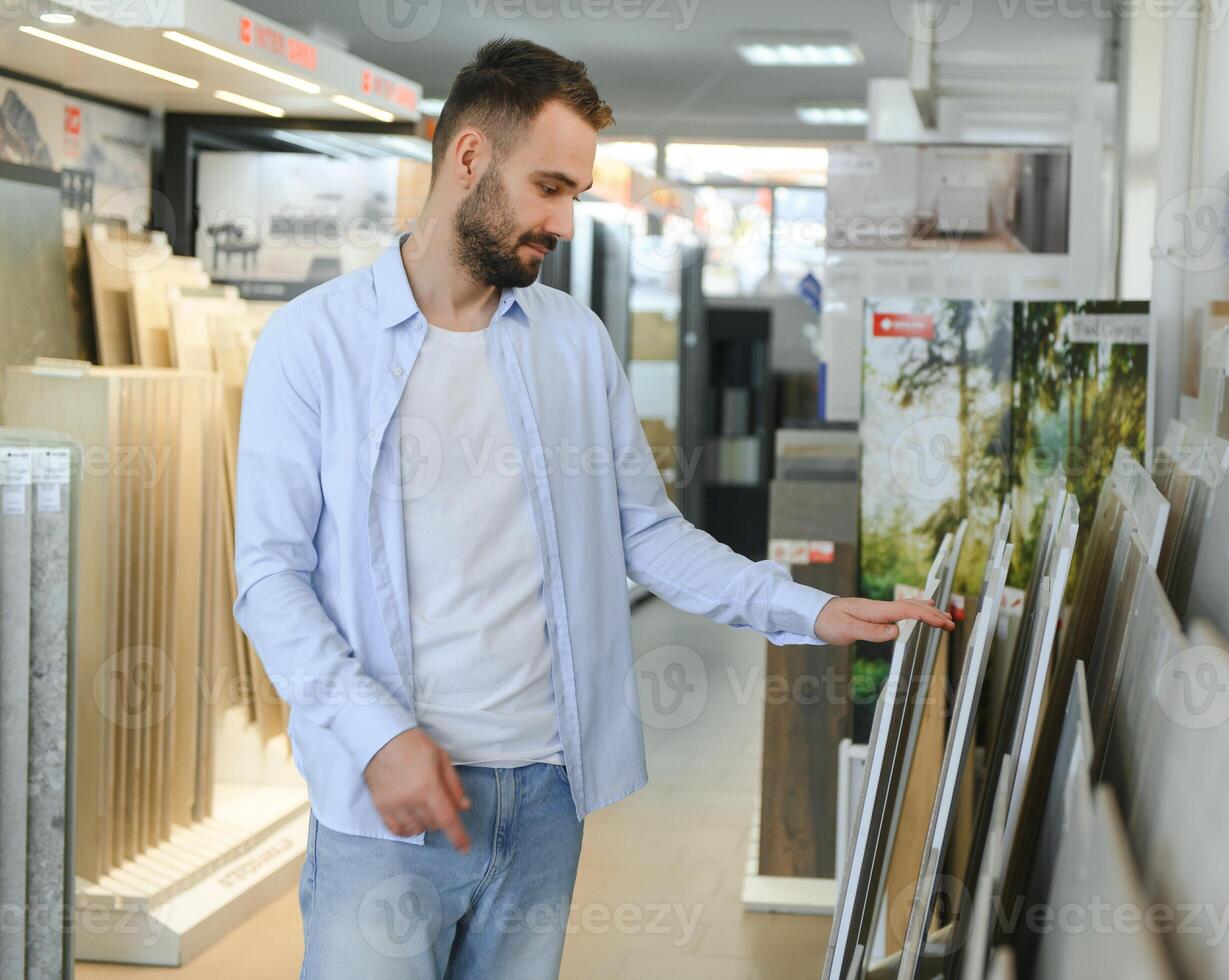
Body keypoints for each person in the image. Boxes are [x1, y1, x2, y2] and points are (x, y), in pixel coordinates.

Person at [233, 36, 954, 980]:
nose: (564, 223)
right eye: (550, 188)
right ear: (467, 160)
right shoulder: (313, 344)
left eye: (574, 194)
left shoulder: (570, 343)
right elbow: (269, 578)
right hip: (385, 808)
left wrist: (807, 609)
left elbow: (644, 532)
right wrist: (378, 736)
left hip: (543, 797)